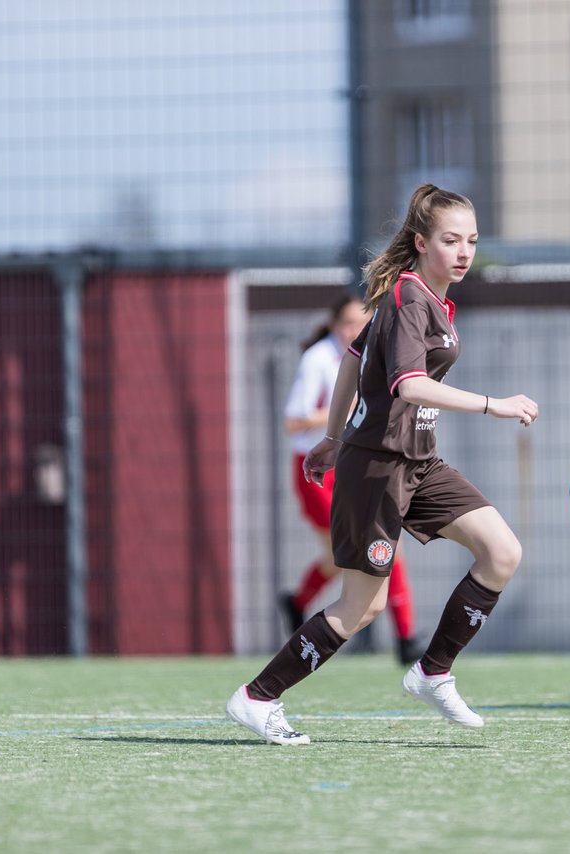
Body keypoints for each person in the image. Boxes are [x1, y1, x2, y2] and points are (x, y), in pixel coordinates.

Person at [226, 184, 539, 745]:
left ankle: (432, 672)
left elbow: (352, 357)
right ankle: (257, 696)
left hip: (418, 462)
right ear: (421, 242)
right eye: (450, 240)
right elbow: (409, 384)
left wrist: (332, 436)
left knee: (501, 551)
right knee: (361, 607)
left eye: (471, 240)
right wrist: (495, 404)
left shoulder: (431, 299)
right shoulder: (408, 297)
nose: (464, 251)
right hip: (379, 470)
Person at [279, 294, 423, 666]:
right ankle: (402, 639)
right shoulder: (319, 360)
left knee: (370, 550)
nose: (356, 331)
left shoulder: (376, 354)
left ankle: (406, 640)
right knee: (363, 552)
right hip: (319, 473)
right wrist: (341, 411)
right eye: (348, 324)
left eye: (364, 324)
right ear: (333, 325)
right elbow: (294, 420)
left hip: (357, 468)